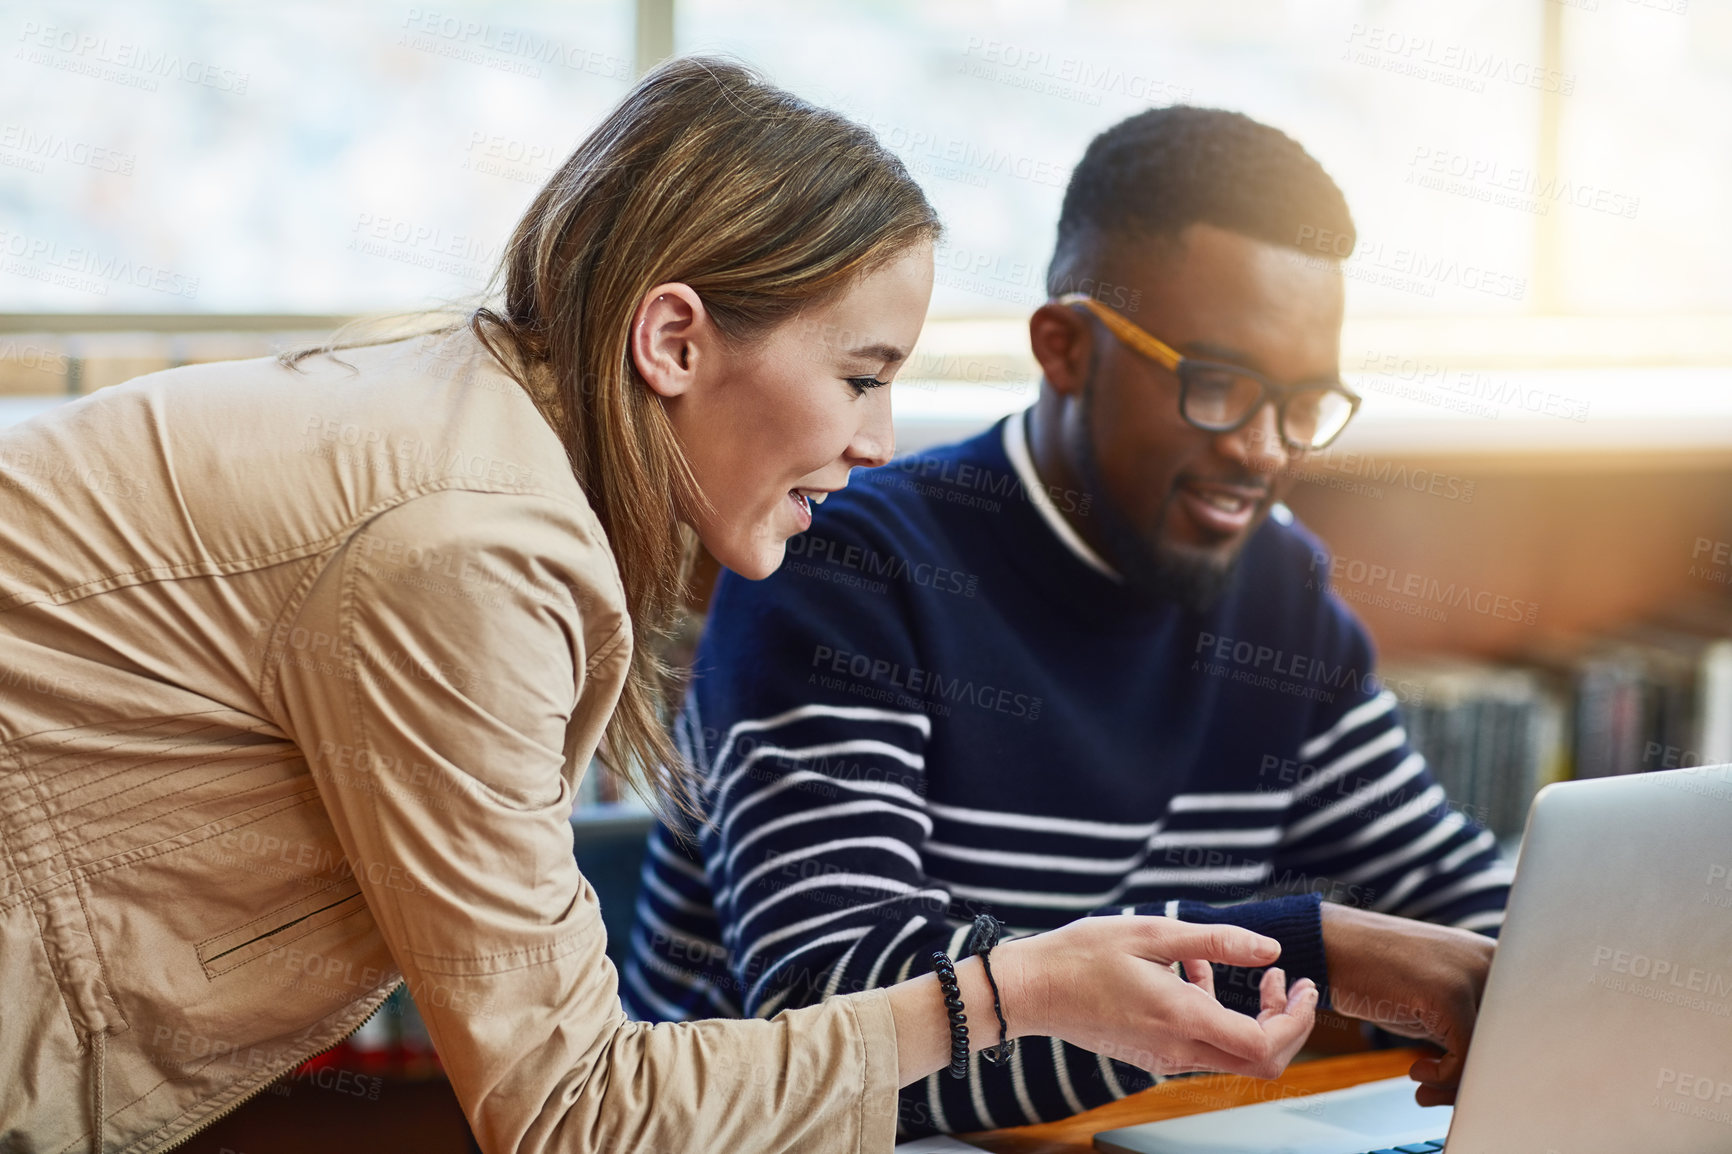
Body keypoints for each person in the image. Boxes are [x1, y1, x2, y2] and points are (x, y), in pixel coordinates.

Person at [0, 61, 1322, 1154]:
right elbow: (574, 1111)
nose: (881, 437)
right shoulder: (466, 548)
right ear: (674, 340)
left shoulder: (477, 449)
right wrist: (1013, 990)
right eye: (860, 374)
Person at [625, 106, 1507, 1138]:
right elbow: (839, 1015)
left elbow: (1450, 899)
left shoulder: (1273, 588)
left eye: (1303, 404)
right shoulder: (842, 561)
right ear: (1066, 347)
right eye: (1221, 387)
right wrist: (1318, 948)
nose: (1264, 449)